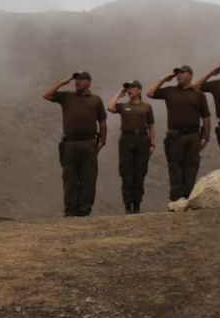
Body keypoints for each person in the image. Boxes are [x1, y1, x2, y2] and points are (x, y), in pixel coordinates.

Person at [43, 71, 107, 217]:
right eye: (76, 79)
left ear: (89, 82)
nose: (77, 82)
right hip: (70, 143)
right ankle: (70, 209)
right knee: (70, 177)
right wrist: (63, 82)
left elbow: (102, 120)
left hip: (89, 142)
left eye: (81, 79)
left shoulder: (95, 99)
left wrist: (103, 140)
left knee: (88, 177)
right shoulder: (67, 96)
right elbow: (47, 95)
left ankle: (84, 210)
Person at [146, 65, 211, 201]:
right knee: (175, 167)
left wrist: (205, 136)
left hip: (193, 135)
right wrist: (163, 79)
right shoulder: (170, 91)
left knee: (191, 167)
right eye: (177, 74)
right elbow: (150, 93)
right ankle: (176, 199)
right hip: (175, 135)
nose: (179, 76)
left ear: (190, 75)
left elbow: (206, 117)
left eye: (182, 73)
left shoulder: (198, 94)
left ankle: (188, 198)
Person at [107, 80, 155, 214]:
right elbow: (110, 107)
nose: (129, 90)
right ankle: (128, 205)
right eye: (127, 88)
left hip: (142, 139)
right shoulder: (123, 106)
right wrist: (119, 94)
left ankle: (137, 204)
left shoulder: (146, 107)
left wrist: (152, 143)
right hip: (126, 139)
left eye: (132, 87)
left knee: (139, 172)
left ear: (139, 90)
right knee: (126, 172)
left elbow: (151, 125)